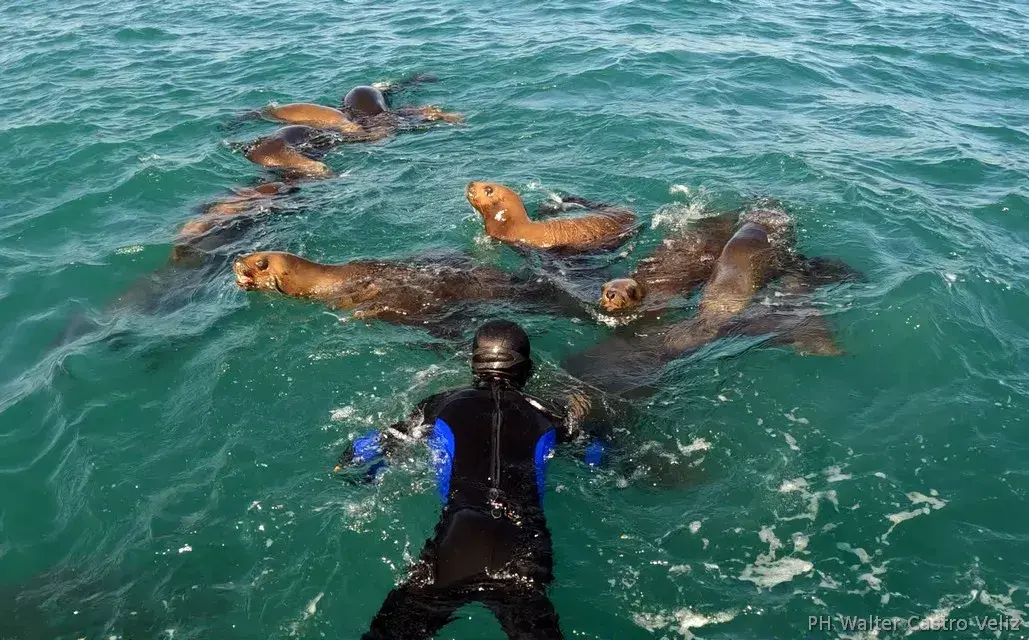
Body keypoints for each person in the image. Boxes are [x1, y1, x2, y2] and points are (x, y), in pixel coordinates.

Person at [336, 319, 612, 640]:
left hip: (455, 547)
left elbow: (363, 451)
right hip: (524, 552)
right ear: (529, 370)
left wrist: (354, 473)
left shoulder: (441, 405)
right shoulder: (551, 415)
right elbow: (599, 456)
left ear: (473, 365)